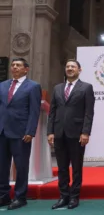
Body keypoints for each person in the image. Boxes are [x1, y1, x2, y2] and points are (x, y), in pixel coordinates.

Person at [47, 59, 95, 209]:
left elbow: (89, 113)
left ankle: (74, 196)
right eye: (67, 66)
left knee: (76, 167)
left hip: (77, 133)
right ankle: (63, 196)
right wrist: (50, 132)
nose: (69, 68)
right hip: (59, 132)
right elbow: (52, 112)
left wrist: (85, 132)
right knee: (61, 167)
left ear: (79, 70)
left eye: (73, 66)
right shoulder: (57, 88)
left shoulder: (86, 88)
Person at [0, 58, 42, 210]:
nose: (14, 67)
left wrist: (30, 131)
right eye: (13, 65)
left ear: (26, 69)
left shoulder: (33, 86)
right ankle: (3, 196)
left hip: (21, 133)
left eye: (18, 65)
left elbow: (34, 111)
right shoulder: (2, 86)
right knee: (2, 166)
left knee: (21, 166)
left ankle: (20, 196)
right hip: (2, 131)